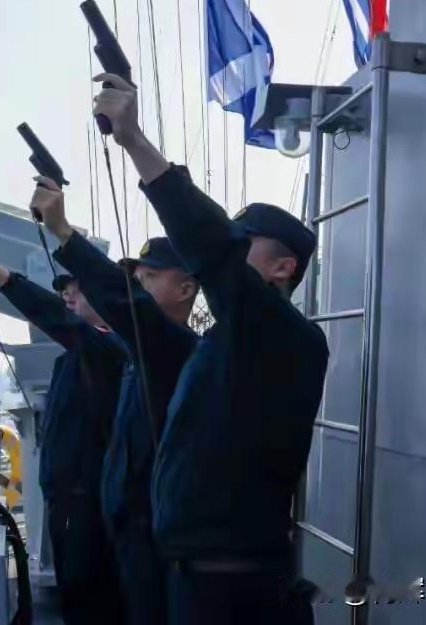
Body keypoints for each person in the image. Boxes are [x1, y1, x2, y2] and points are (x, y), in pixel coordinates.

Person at [92, 73, 329, 624]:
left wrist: (135, 143)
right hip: (195, 578)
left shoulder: (287, 336)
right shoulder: (222, 342)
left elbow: (212, 248)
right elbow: (137, 310)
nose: (228, 252)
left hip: (232, 592)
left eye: (245, 243)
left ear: (283, 267)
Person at [32, 179, 199, 625]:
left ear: (185, 289)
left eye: (150, 278)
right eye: (137, 279)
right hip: (123, 524)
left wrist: (62, 231)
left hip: (149, 531)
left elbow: (70, 322)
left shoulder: (177, 349)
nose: (138, 285)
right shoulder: (132, 351)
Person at [0, 227, 126, 625]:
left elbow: (59, 321)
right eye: (65, 289)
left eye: (78, 289)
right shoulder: (73, 357)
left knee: (91, 595)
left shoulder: (111, 348)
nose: (68, 295)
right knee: (74, 590)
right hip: (65, 498)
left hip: (87, 501)